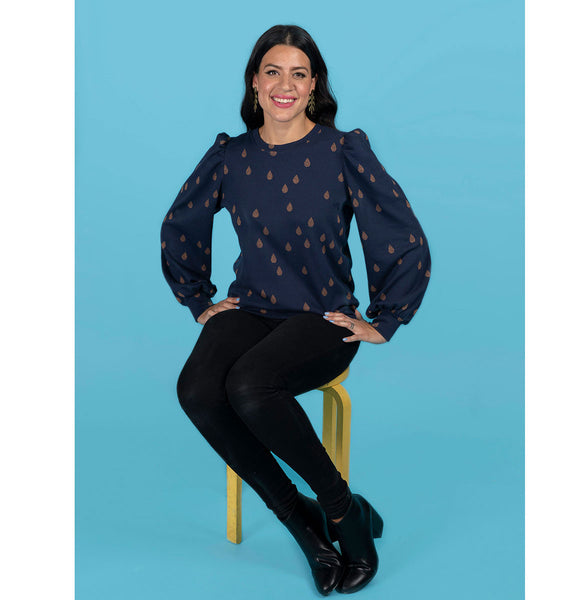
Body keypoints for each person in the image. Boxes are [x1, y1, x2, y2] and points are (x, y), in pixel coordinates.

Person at [160, 24, 431, 595]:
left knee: (250, 385)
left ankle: (342, 512)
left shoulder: (342, 150)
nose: (285, 85)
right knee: (197, 390)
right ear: (255, 83)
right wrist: (198, 299)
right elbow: (181, 221)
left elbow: (397, 228)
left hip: (322, 318)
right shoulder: (231, 156)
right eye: (273, 72)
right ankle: (301, 523)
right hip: (251, 307)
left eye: (299, 74)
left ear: (313, 87)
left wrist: (386, 318)